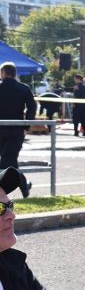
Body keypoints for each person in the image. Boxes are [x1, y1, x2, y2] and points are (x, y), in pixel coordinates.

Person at [0, 62, 34, 198]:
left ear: (3, 73)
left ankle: (24, 187)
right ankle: (24, 187)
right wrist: (26, 125)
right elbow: (32, 107)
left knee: (8, 162)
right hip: (16, 130)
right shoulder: (23, 88)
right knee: (9, 161)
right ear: (14, 74)